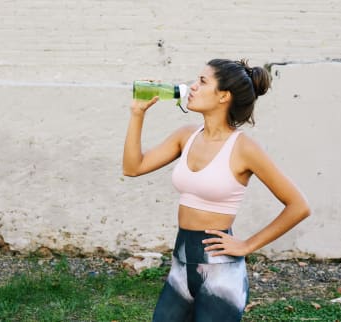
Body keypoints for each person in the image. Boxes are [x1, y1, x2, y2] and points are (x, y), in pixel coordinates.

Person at [122, 59, 311, 322]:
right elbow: (133, 167)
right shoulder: (186, 135)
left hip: (221, 274)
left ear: (224, 96)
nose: (192, 87)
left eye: (202, 81)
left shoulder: (244, 148)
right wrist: (137, 114)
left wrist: (247, 245)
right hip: (181, 264)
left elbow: (298, 205)